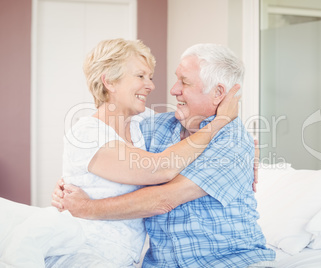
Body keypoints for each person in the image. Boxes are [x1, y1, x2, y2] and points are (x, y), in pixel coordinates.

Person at [0, 39, 239, 268]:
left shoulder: (142, 124)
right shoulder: (86, 133)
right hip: (82, 249)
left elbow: (190, 133)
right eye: (140, 76)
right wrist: (220, 122)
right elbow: (160, 168)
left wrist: (246, 152)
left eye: (150, 76)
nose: (151, 85)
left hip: (124, 257)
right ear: (110, 82)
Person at [53, 43, 276, 267]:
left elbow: (164, 199)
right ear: (109, 81)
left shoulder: (231, 140)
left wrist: (86, 208)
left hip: (227, 262)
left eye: (184, 82)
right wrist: (72, 184)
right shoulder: (154, 127)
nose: (172, 89)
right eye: (141, 75)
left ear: (218, 93)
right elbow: (144, 163)